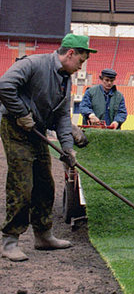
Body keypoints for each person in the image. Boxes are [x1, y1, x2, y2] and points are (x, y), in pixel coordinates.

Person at [0, 33, 96, 262]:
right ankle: (10, 241)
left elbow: (62, 116)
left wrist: (68, 149)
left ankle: (43, 235)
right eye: (81, 61)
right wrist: (21, 114)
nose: (81, 67)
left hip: (38, 131)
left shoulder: (66, 77)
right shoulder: (33, 63)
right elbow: (4, 86)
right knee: (22, 184)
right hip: (15, 128)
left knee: (45, 183)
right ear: (70, 53)